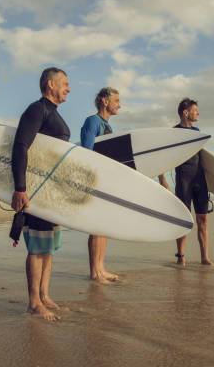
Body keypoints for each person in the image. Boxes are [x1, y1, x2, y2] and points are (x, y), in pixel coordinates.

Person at [11, 67, 71, 321]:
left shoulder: (53, 113)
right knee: (37, 246)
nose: (68, 88)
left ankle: (44, 295)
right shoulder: (38, 110)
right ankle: (33, 302)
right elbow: (21, 146)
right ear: (50, 85)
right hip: (35, 189)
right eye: (65, 84)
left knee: (48, 246)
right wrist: (21, 188)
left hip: (50, 192)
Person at [159, 98, 213, 267]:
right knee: (183, 220)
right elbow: (161, 157)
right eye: (195, 110)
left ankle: (205, 257)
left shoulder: (197, 131)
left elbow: (203, 158)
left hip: (199, 179)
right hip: (184, 180)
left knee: (202, 219)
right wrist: (162, 179)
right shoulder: (174, 133)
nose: (198, 113)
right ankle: (181, 256)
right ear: (185, 112)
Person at [80, 87, 121, 283]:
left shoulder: (108, 126)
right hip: (95, 180)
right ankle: (94, 272)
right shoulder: (92, 122)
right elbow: (86, 152)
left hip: (106, 181)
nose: (119, 105)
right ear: (105, 101)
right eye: (116, 100)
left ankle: (101, 268)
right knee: (97, 226)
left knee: (104, 225)